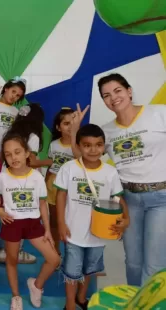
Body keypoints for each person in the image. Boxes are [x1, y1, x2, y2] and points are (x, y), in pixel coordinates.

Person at [70, 73, 166, 286]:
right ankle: (134, 301)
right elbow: (83, 159)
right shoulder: (108, 131)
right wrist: (75, 129)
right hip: (128, 201)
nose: (113, 98)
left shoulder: (159, 113)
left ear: (129, 91)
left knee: (155, 263)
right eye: (106, 95)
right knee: (133, 262)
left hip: (161, 199)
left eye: (117, 91)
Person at [55, 124, 130, 310]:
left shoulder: (110, 172)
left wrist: (126, 217)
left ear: (104, 147)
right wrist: (61, 223)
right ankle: (70, 304)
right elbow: (60, 196)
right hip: (73, 231)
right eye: (87, 145)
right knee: (72, 271)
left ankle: (81, 297)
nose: (93, 149)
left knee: (90, 269)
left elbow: (118, 198)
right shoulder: (69, 168)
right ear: (79, 146)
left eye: (98, 144)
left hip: (98, 233)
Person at [0, 131, 60, 310]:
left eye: (17, 152)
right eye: (8, 154)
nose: (13, 157)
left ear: (26, 153)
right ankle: (16, 296)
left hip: (33, 224)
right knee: (11, 260)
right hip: (12, 224)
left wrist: (47, 229)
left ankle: (36, 285)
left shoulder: (37, 177)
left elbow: (42, 204)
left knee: (54, 259)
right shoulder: (2, 177)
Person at [0, 103, 52, 265]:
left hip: (7, 177)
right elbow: (31, 162)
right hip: (23, 180)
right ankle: (15, 251)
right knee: (23, 212)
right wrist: (50, 161)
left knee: (9, 215)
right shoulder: (32, 136)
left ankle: (3, 250)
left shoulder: (11, 133)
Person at [45, 108, 76, 256]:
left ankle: (72, 253)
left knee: (71, 220)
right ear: (58, 127)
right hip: (53, 184)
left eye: (73, 123)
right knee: (54, 222)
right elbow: (51, 167)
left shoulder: (79, 145)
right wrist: (44, 186)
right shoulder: (54, 144)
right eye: (66, 123)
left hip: (71, 187)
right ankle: (55, 252)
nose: (70, 126)